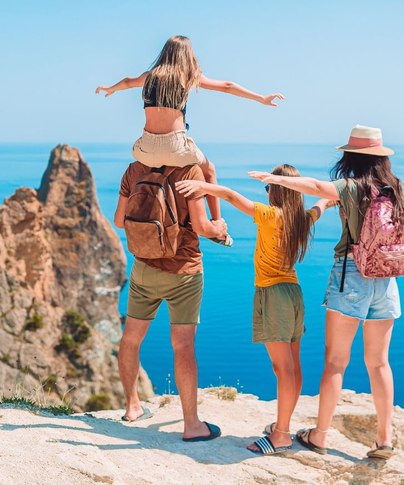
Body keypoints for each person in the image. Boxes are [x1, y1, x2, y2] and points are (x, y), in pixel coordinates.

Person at [248, 125, 404, 459]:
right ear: (382, 158)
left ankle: (320, 436)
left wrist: (277, 180)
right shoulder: (396, 188)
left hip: (351, 276)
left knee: (336, 363)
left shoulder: (350, 186)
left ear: (350, 156)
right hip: (388, 278)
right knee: (379, 363)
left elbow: (316, 186)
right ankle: (384, 440)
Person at [176, 165, 333, 455]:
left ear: (276, 190)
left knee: (282, 369)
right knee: (294, 367)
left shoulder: (271, 215)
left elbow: (234, 198)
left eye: (269, 188)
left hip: (272, 294)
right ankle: (282, 425)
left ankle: (281, 435)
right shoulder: (302, 219)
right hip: (294, 294)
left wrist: (204, 188)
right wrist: (327, 200)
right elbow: (318, 207)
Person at [97, 35, 284, 246]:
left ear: (165, 53)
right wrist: (261, 98)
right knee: (210, 169)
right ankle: (217, 225)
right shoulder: (187, 76)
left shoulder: (149, 76)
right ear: (187, 56)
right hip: (176, 147)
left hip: (146, 148)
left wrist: (110, 88)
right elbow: (227, 85)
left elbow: (127, 82)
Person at [114, 159, 227, 442]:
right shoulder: (189, 172)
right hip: (184, 272)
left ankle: (132, 407)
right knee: (183, 346)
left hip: (144, 268)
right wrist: (219, 227)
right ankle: (191, 425)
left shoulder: (135, 169)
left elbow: (119, 221)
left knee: (130, 339)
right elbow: (202, 227)